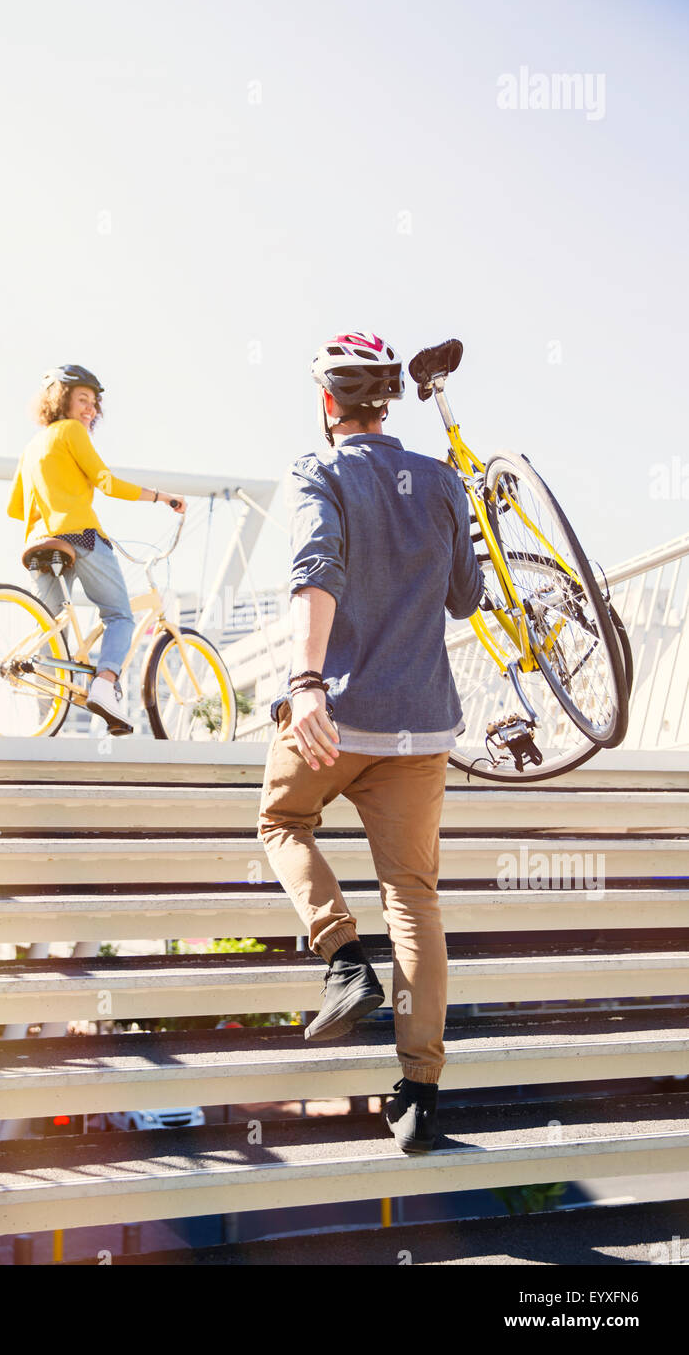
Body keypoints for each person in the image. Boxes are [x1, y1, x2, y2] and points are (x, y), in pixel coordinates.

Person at [257, 331, 485, 1152]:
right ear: (387, 401)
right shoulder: (440, 479)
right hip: (421, 724)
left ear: (329, 403)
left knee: (283, 822)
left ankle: (344, 960)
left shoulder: (317, 470)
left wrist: (307, 680)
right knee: (414, 898)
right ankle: (420, 1093)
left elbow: (315, 568)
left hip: (337, 715)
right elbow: (465, 598)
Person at [7, 364, 185, 732]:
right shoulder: (71, 431)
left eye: (93, 403)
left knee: (52, 638)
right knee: (119, 616)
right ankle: (104, 685)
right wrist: (161, 497)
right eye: (82, 399)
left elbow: (15, 506)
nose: (90, 409)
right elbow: (106, 482)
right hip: (81, 538)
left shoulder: (31, 446)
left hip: (39, 544)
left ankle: (44, 725)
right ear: (61, 401)